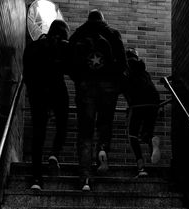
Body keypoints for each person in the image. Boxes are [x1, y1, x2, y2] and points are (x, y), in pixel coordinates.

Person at [69, 9, 128, 191]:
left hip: (86, 87)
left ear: (88, 19)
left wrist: (79, 81)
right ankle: (102, 149)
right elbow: (123, 64)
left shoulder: (80, 33)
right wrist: (116, 85)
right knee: (104, 124)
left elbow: (69, 62)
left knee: (85, 132)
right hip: (108, 88)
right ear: (103, 19)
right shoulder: (112, 34)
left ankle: (85, 178)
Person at [23, 19, 70, 190]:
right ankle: (54, 153)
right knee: (63, 123)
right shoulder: (63, 47)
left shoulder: (34, 46)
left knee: (38, 134)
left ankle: (36, 179)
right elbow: (71, 69)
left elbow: (26, 72)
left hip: (38, 93)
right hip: (57, 90)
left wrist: (33, 92)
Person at [123, 48, 161, 177]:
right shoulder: (144, 71)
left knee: (133, 135)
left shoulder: (126, 69)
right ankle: (152, 141)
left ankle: (141, 168)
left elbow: (121, 87)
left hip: (138, 103)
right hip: (154, 102)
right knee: (146, 133)